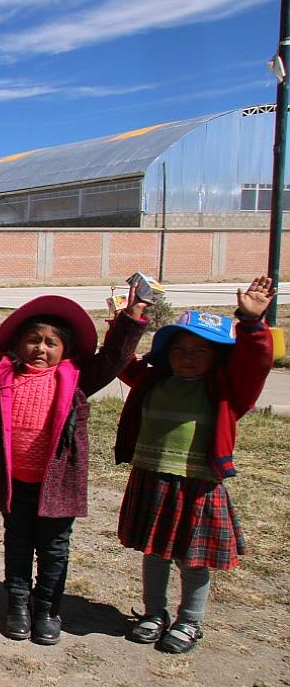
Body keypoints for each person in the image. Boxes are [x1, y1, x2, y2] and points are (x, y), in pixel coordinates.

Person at [0, 282, 148, 644]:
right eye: (33, 340)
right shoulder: (1, 377)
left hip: (57, 483)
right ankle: (18, 605)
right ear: (17, 344)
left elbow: (115, 357)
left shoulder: (77, 380)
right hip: (16, 481)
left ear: (65, 350)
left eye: (51, 342)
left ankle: (47, 608)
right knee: (18, 543)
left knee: (55, 548)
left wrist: (131, 318)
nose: (40, 348)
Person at [114, 278, 275, 654]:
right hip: (152, 478)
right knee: (155, 553)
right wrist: (127, 320)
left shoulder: (228, 389)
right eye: (179, 348)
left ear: (218, 356)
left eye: (199, 350)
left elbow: (256, 362)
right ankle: (154, 614)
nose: (187, 356)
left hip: (197, 484)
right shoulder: (152, 380)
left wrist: (251, 325)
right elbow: (120, 358)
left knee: (193, 558)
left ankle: (189, 621)